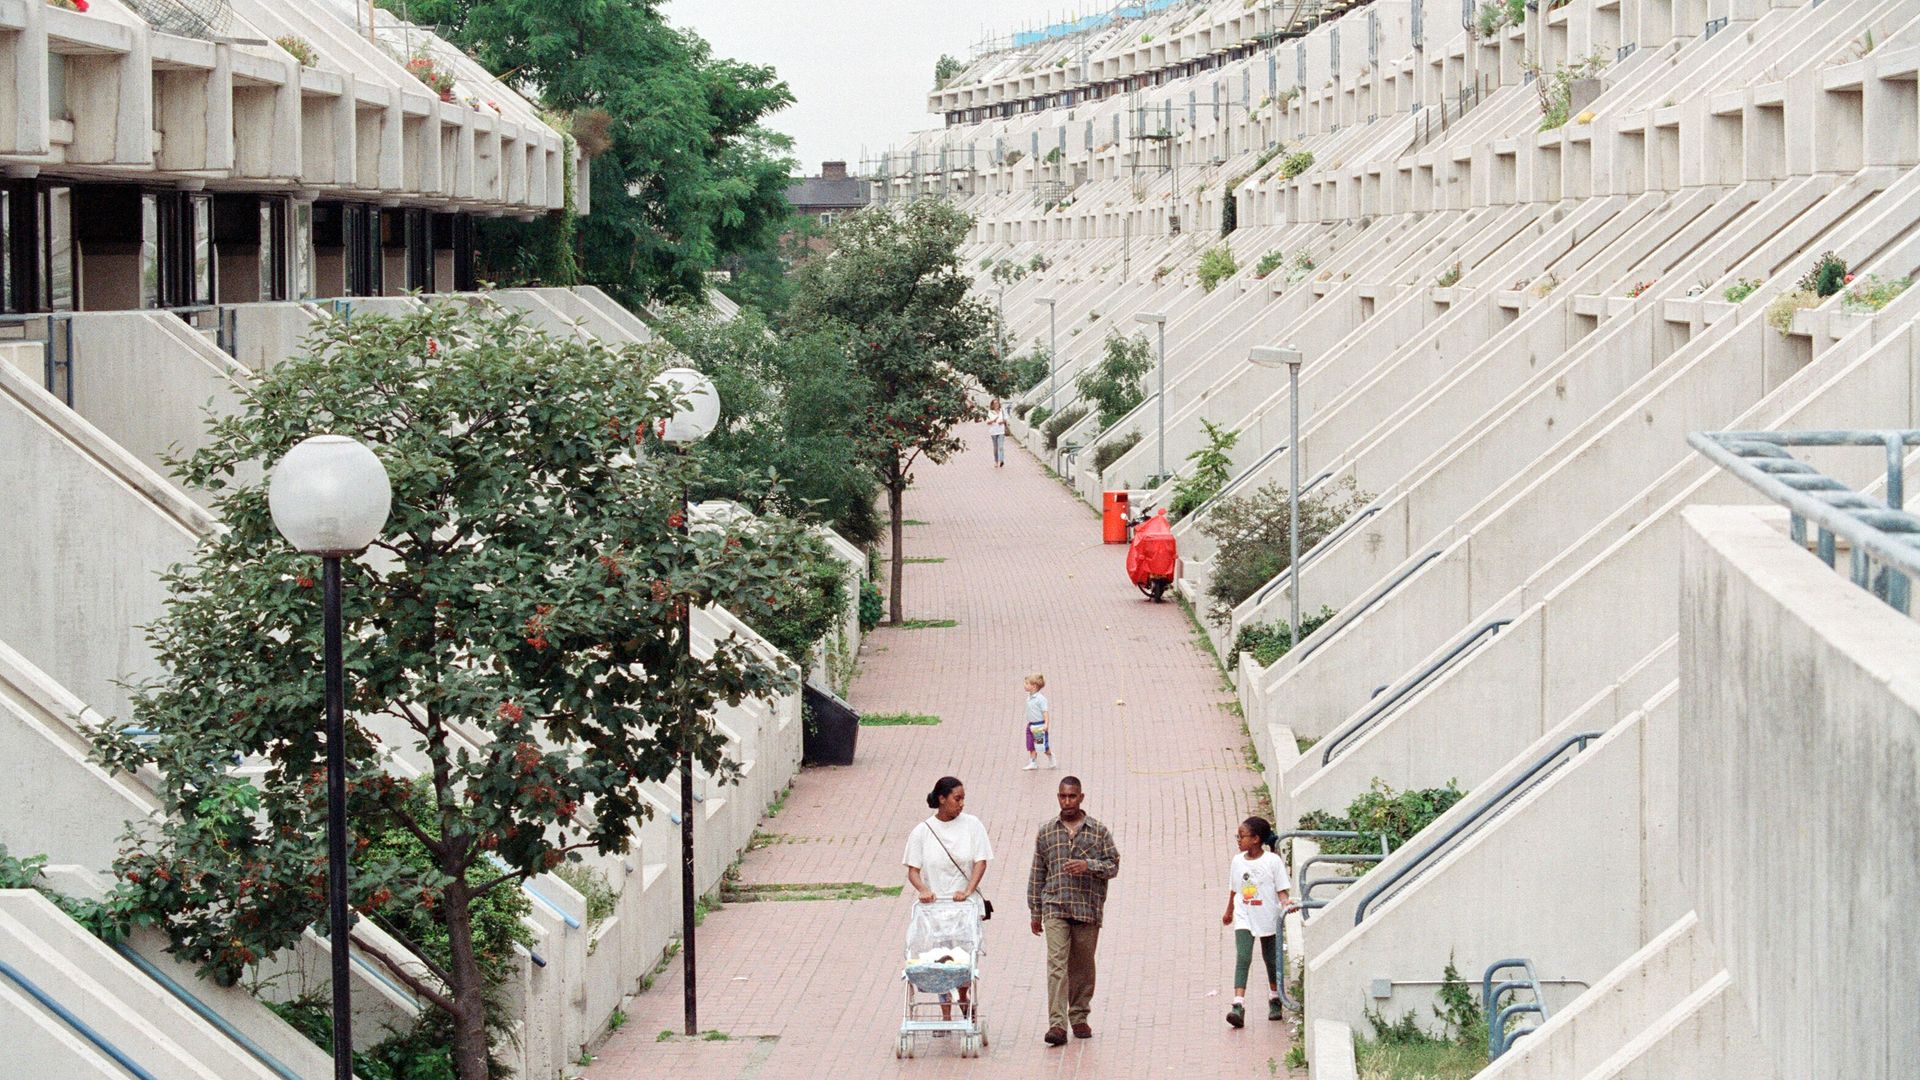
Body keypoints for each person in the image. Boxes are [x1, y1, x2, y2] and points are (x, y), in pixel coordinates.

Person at [1027, 776, 1119, 1046]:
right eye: (1063, 796)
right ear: (1058, 797)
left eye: (1072, 796)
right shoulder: (1046, 832)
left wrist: (1088, 865)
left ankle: (1079, 1015)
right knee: (1057, 964)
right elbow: (1037, 872)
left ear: (1081, 797)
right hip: (1055, 905)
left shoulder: (1098, 831)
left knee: (1082, 965)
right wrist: (1035, 910)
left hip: (1087, 908)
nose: (1067, 802)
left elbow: (1113, 865)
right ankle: (1057, 1024)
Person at [904, 776, 992, 1025]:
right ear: (942, 799)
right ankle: (945, 1012)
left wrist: (967, 890)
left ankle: (964, 1000)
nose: (961, 804)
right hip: (936, 910)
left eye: (963, 798)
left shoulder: (972, 825)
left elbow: (981, 861)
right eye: (957, 799)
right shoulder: (922, 832)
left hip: (963, 908)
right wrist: (923, 889)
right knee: (938, 960)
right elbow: (913, 870)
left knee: (963, 959)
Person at [1221, 815, 1290, 1028]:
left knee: (1270, 958)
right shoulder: (1237, 861)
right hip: (1245, 915)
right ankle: (1238, 1004)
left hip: (1268, 915)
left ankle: (1274, 997)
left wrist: (1286, 904)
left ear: (1256, 839)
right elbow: (1235, 889)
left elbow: (1282, 890)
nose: (1238, 840)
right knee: (1243, 956)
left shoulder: (1272, 861)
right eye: (1238, 836)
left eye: (1242, 836)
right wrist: (1229, 911)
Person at [1023, 673, 1055, 770]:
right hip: (1031, 725)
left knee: (1041, 746)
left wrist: (1046, 724)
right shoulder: (1029, 697)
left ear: (1034, 686)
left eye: (1027, 683)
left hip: (1038, 727)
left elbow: (1045, 712)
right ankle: (1033, 762)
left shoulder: (1040, 699)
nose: (1025, 685)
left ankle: (1050, 755)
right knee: (1031, 745)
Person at [985, 398, 1008, 468]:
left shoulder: (1002, 411)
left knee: (1001, 446)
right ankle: (996, 461)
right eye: (994, 403)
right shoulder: (990, 412)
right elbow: (987, 422)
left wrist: (1002, 421)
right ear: (992, 405)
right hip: (993, 431)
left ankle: (1001, 460)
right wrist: (993, 420)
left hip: (1001, 430)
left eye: (997, 403)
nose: (996, 405)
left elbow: (1006, 419)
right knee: (995, 447)